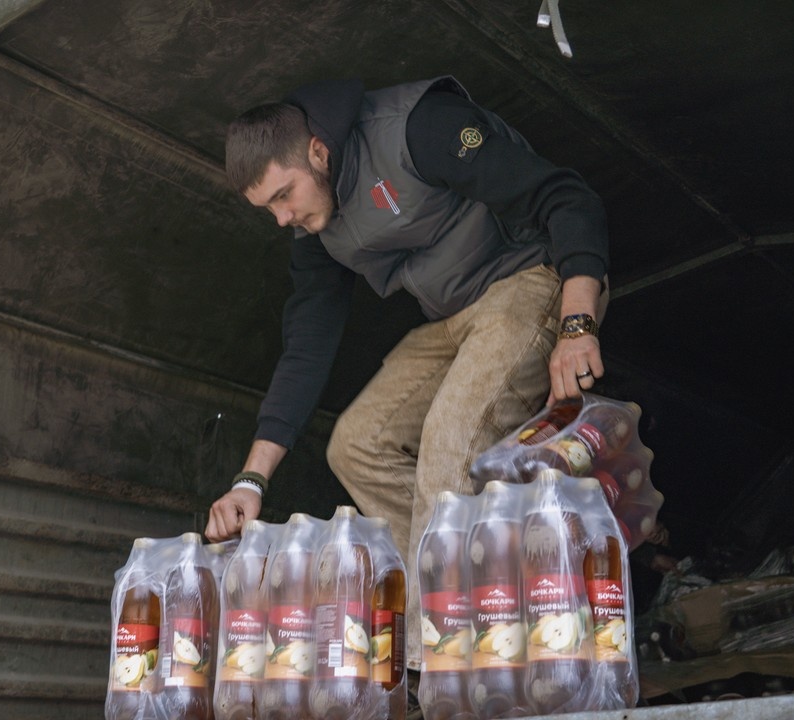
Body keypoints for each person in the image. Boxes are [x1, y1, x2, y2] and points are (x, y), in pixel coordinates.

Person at [204, 76, 609, 678]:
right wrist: (251, 481)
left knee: (449, 445)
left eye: (285, 195)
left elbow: (568, 197)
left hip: (529, 280)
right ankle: (491, 600)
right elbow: (307, 346)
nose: (284, 217)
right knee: (355, 446)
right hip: (452, 320)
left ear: (318, 151)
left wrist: (577, 323)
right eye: (270, 209)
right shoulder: (315, 228)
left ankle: (429, 669)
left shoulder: (418, 128)